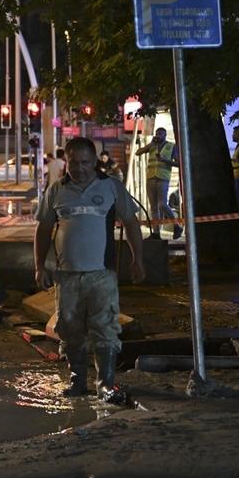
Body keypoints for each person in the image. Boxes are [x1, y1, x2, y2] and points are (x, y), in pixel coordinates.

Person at [34, 137, 145, 404]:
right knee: (70, 327)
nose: (80, 168)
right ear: (66, 161)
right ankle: (77, 380)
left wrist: (137, 259)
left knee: (105, 328)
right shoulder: (56, 190)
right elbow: (43, 229)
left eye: (86, 162)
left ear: (95, 162)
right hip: (66, 276)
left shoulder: (111, 187)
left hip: (102, 275)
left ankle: (106, 384)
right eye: (74, 162)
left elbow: (130, 224)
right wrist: (39, 266)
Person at [135, 127, 181, 239]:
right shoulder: (152, 146)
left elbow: (179, 163)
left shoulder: (171, 146)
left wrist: (165, 160)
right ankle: (156, 234)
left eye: (160, 134)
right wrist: (149, 144)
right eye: (157, 133)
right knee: (154, 208)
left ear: (165, 135)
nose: (158, 135)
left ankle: (177, 225)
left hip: (162, 178)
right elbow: (137, 152)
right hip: (150, 178)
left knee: (162, 205)